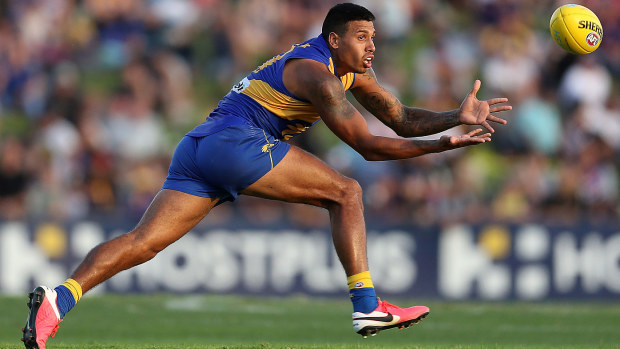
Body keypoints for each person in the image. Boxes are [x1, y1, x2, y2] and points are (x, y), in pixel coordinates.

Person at [22, 3, 512, 348]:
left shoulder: (347, 71)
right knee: (346, 192)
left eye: (374, 39)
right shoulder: (314, 73)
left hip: (200, 145)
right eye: (362, 38)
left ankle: (57, 301)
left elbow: (399, 117)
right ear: (334, 39)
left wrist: (455, 115)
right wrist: (442, 146)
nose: (371, 48)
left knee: (143, 242)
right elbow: (366, 147)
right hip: (235, 142)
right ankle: (367, 304)